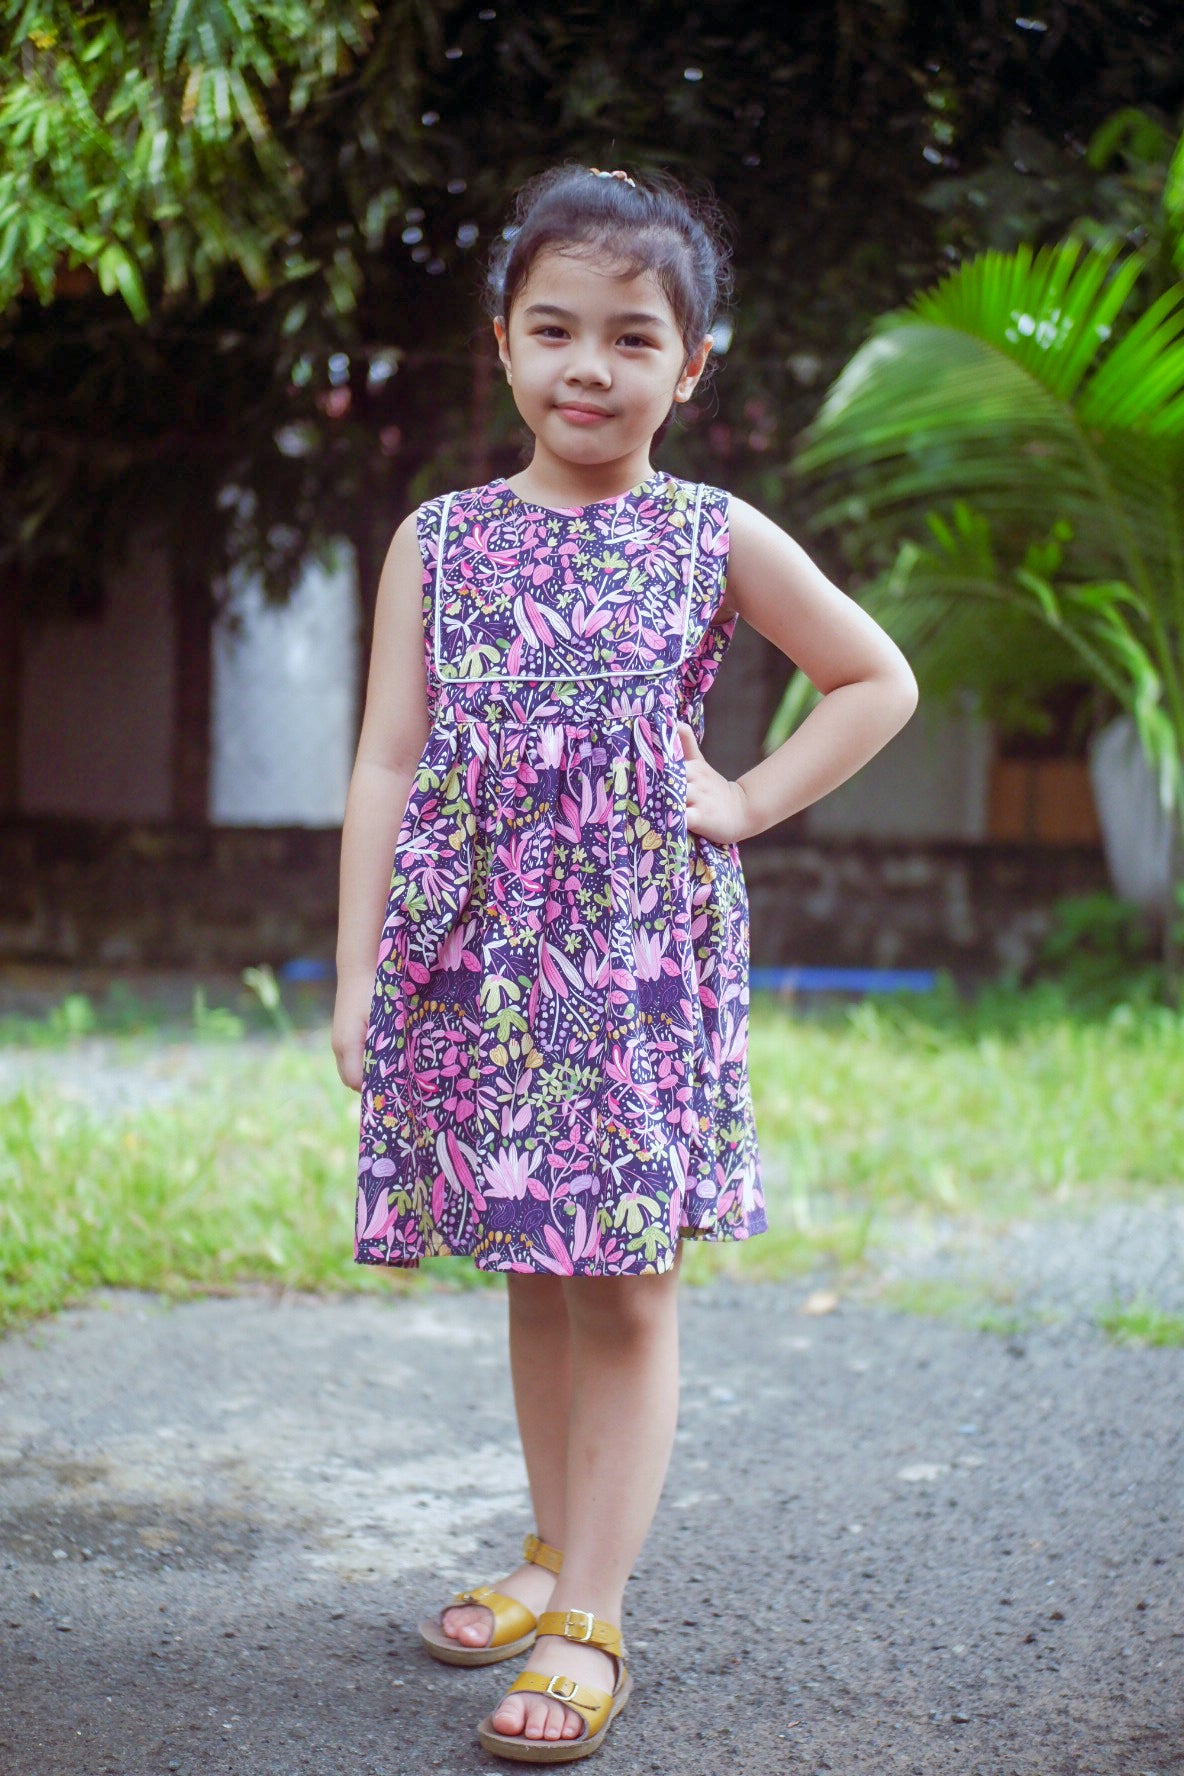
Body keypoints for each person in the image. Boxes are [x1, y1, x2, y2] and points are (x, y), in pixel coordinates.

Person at [332, 163, 918, 1764]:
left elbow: (874, 680)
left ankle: (590, 1615)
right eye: (554, 329)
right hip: (480, 958)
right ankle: (549, 1550)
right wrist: (358, 973)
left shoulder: (712, 536)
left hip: (639, 959)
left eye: (632, 337)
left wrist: (747, 800)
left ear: (691, 365)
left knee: (630, 1282)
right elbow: (387, 761)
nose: (588, 366)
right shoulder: (438, 542)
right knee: (537, 1264)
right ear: (503, 344)